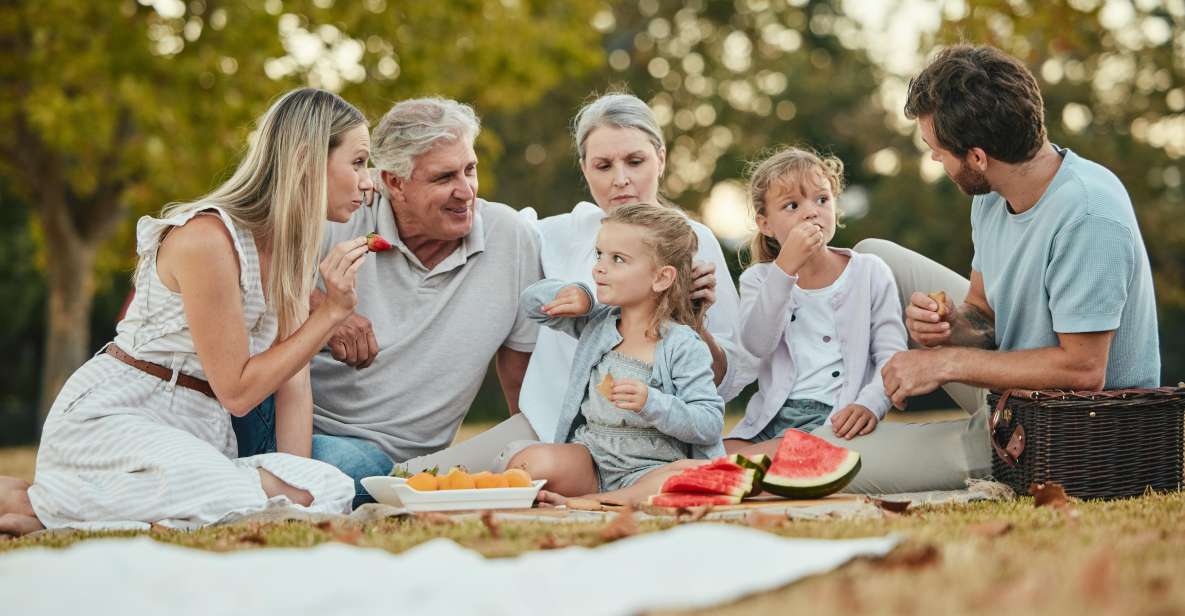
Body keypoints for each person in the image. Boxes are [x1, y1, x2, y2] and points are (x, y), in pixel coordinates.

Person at [0, 88, 370, 535]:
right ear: (306, 160)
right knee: (229, 494)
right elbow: (236, 391)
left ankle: (52, 508)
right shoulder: (208, 238)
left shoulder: (291, 248)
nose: (368, 182)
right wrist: (329, 313)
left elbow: (293, 384)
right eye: (358, 162)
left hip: (198, 432)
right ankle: (48, 505)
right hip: (118, 417)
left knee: (327, 489)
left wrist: (295, 480)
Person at [849, 45, 1160, 493]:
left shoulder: (1090, 216)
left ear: (977, 157)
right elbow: (983, 315)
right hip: (1010, 386)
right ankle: (828, 403)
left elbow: (1083, 372)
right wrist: (951, 325)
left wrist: (942, 364)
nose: (936, 160)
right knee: (872, 256)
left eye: (937, 151)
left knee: (835, 457)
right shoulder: (992, 195)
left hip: (1062, 428)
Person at [399, 92, 746, 476]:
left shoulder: (694, 243)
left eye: (635, 161)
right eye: (602, 165)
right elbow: (472, 229)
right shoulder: (552, 235)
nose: (621, 179)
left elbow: (720, 386)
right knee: (413, 478)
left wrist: (694, 322)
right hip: (549, 428)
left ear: (660, 158)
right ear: (584, 168)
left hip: (650, 442)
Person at [292, 98, 543, 506]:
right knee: (350, 468)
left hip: (413, 464)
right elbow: (254, 278)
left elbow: (522, 381)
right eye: (444, 177)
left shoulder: (512, 239)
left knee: (363, 472)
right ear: (394, 182)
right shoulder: (340, 211)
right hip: (308, 432)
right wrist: (326, 312)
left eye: (470, 170)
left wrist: (535, 461)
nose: (466, 192)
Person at [509, 203, 725, 500]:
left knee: (682, 477)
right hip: (592, 459)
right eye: (600, 255)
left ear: (661, 278)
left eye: (618, 259)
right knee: (528, 462)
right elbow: (532, 305)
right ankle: (604, 498)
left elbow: (709, 423)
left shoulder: (683, 344)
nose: (600, 267)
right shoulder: (598, 322)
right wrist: (578, 295)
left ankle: (590, 503)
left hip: (651, 469)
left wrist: (652, 402)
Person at [721, 147, 907, 459]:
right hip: (770, 419)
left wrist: (870, 404)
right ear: (765, 224)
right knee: (712, 453)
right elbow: (757, 345)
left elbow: (891, 354)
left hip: (834, 419)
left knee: (733, 465)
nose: (811, 211)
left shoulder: (870, 271)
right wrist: (784, 271)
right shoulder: (759, 279)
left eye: (822, 200)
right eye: (792, 205)